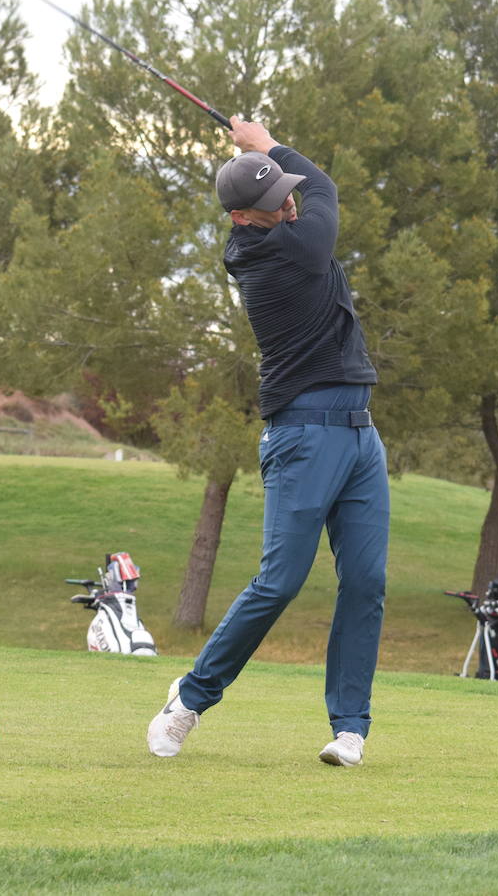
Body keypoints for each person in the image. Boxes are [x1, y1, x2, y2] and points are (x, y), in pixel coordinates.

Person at [147, 117, 389, 767]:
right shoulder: (281, 255)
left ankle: (349, 728)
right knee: (279, 582)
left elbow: (309, 191)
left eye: (285, 191)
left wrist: (262, 156)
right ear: (245, 219)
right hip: (304, 435)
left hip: (360, 436)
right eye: (276, 198)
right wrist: (268, 143)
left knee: (366, 581)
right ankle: (189, 699)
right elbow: (327, 191)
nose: (290, 199)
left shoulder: (277, 227)